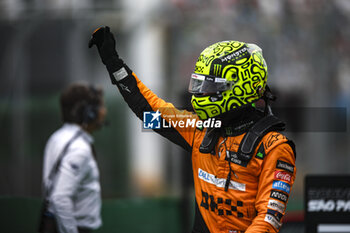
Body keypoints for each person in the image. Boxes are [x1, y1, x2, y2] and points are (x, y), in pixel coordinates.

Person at [89, 26, 296, 233]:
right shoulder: (200, 129)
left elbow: (269, 220)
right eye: (200, 86)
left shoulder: (274, 147)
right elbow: (147, 111)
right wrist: (113, 62)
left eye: (211, 87)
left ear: (241, 88)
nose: (202, 94)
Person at [41, 83, 106, 233]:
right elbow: (60, 198)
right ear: (89, 113)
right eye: (100, 107)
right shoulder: (79, 149)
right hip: (72, 227)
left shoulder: (57, 137)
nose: (103, 111)